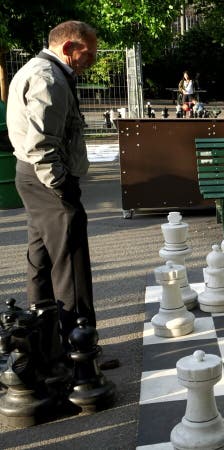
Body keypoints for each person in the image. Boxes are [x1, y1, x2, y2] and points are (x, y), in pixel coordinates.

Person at [7, 21, 107, 352]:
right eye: (88, 54)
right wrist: (61, 185)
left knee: (41, 260)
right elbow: (41, 145)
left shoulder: (35, 70)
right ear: (68, 48)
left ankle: (45, 345)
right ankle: (81, 351)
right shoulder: (49, 79)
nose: (91, 61)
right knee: (71, 264)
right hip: (47, 179)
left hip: (29, 175)